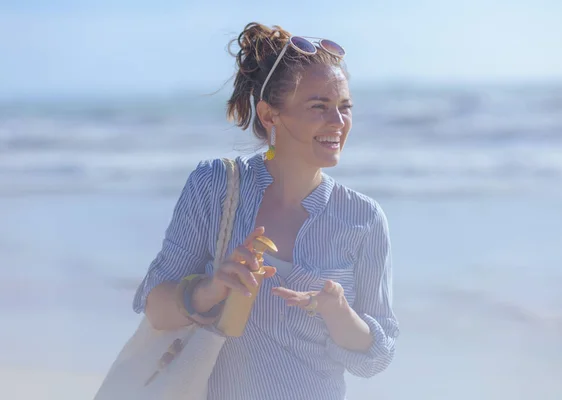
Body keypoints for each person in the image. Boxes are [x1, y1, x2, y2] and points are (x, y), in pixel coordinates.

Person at [132, 22, 399, 400]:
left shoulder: (364, 219)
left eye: (344, 108)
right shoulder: (216, 187)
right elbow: (155, 308)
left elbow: (376, 356)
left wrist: (338, 311)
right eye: (318, 107)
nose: (338, 123)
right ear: (270, 115)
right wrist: (211, 290)